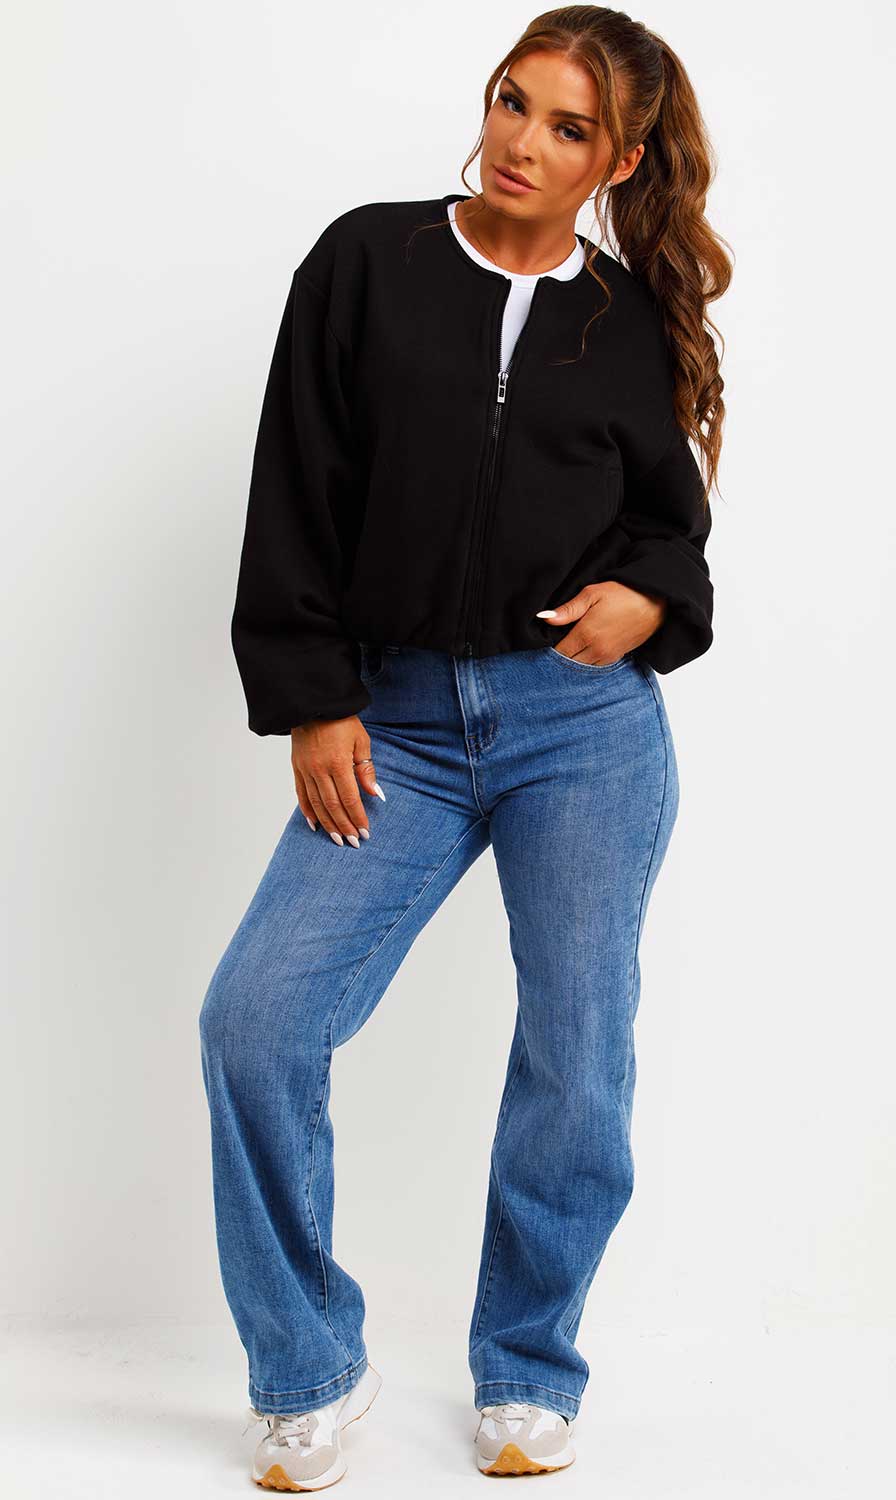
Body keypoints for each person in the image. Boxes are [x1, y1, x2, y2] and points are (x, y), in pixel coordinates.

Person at [199, 7, 730, 1488]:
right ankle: (309, 1368)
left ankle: (529, 1366)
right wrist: (316, 697)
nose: (519, 142)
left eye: (567, 127)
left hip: (581, 731)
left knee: (576, 1050)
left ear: (616, 162)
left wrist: (649, 598)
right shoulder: (365, 261)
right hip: (400, 727)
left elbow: (671, 532)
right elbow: (295, 484)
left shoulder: (625, 321)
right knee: (256, 1019)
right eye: (511, 101)